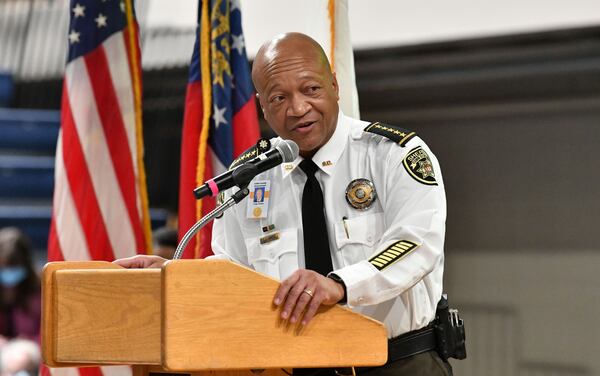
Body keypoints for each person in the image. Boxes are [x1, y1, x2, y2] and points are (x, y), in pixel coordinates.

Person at [116, 32, 451, 375]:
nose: (298, 108)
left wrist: (339, 284)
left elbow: (415, 244)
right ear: (262, 105)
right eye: (279, 97)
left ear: (334, 86)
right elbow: (233, 272)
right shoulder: (250, 178)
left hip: (396, 363)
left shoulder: (393, 155)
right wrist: (175, 277)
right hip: (290, 366)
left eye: (311, 90)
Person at [0, 228, 41, 342]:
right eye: (3, 267)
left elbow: (45, 334)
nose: (8, 272)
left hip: (29, 350)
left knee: (21, 359)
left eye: (13, 266)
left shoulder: (39, 289)